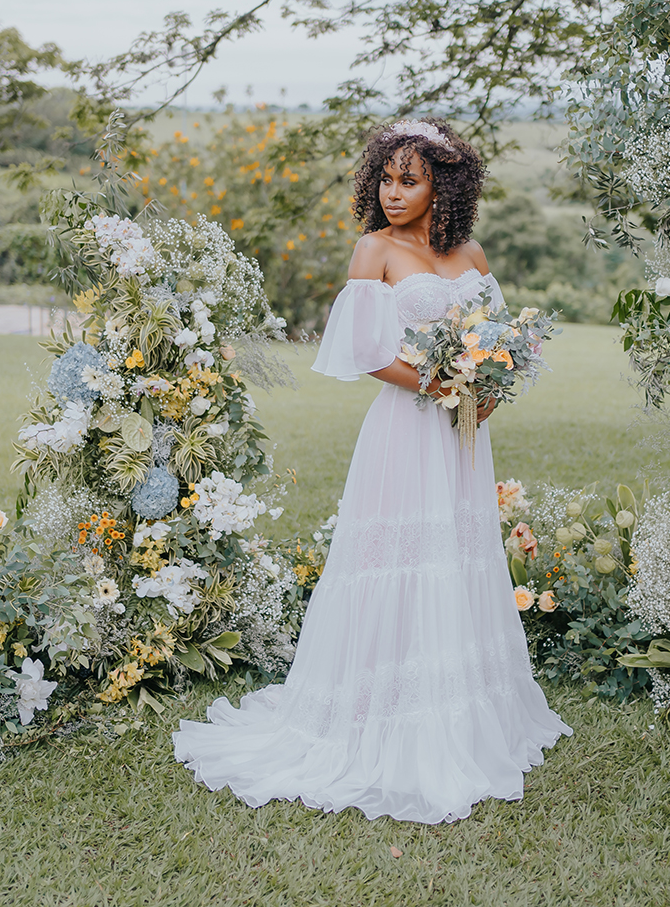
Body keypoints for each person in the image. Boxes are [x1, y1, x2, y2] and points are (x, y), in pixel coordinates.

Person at [172, 117, 571, 824]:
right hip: (405, 430)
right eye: (385, 179)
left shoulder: (471, 252)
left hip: (463, 439)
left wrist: (486, 393)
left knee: (457, 556)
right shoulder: (374, 251)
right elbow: (366, 353)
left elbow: (505, 346)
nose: (393, 193)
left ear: (443, 186)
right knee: (397, 558)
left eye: (409, 181)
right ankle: (376, 716)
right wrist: (445, 384)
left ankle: (459, 715)